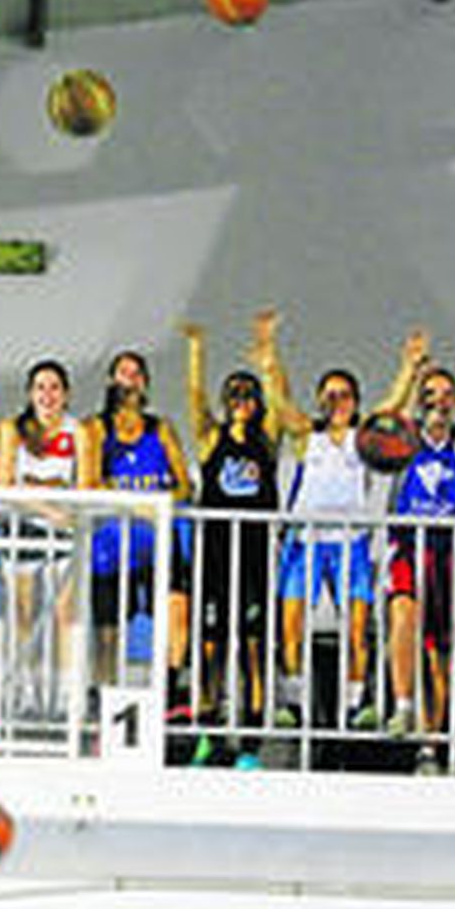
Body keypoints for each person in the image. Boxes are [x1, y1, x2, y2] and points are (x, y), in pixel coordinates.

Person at [254, 310, 398, 728]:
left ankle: (356, 705)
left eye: (345, 395)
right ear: (320, 400)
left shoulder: (366, 440)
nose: (337, 402)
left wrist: (408, 366)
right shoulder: (307, 437)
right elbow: (279, 402)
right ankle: (293, 702)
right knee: (292, 625)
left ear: (356, 402)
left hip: (350, 543)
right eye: (330, 395)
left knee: (356, 629)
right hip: (305, 541)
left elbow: (394, 405)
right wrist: (268, 353)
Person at [376, 347, 455, 774]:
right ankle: (404, 705)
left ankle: (430, 742)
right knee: (403, 615)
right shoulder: (406, 438)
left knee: (439, 653)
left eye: (448, 393)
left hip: (448, 552)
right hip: (408, 545)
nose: (440, 399)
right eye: (433, 392)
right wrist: (410, 371)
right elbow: (384, 415)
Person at [184, 319, 281, 760]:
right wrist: (197, 350)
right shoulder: (211, 439)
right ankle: (207, 723)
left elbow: (278, 398)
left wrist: (266, 353)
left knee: (254, 643)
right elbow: (195, 397)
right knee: (211, 644)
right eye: (234, 395)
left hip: (256, 554)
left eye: (248, 394)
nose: (242, 401)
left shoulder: (267, 440)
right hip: (216, 554)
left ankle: (253, 735)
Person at [84, 351, 194, 707]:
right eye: (123, 373)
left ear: (144, 383)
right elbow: (89, 483)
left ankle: (170, 691)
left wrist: (161, 503)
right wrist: (137, 504)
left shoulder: (160, 429)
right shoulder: (95, 428)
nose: (129, 379)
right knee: (108, 632)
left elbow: (185, 486)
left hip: (157, 539)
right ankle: (101, 699)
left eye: (136, 373)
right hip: (112, 544)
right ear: (111, 381)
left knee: (178, 609)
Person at [0, 360, 96, 719]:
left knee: (63, 615)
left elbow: (85, 486)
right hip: (21, 529)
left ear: (66, 393)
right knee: (23, 615)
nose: (47, 395)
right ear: (29, 393)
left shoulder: (79, 432)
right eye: (40, 387)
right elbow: (3, 484)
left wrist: (48, 499)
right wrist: (47, 504)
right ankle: (25, 693)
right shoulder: (13, 429)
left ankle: (65, 696)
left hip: (64, 533)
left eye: (54, 387)